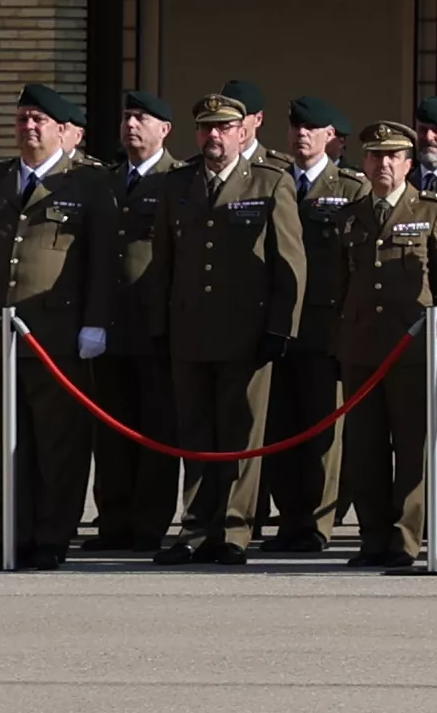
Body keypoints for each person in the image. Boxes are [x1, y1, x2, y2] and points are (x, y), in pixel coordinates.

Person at [148, 91, 307, 567]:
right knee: (194, 433)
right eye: (205, 128)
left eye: (223, 128)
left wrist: (281, 327)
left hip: (246, 332)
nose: (213, 136)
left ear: (243, 132)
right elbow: (163, 261)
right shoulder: (178, 184)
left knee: (241, 435)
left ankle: (235, 529)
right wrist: (160, 323)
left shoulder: (270, 181)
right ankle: (196, 528)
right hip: (189, 328)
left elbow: (289, 263)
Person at [0, 86, 114, 568]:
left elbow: (102, 261)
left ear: (62, 130)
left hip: (56, 336)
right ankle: (13, 535)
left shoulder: (87, 182)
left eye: (39, 120)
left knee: (58, 443)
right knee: (7, 444)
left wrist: (95, 323)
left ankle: (52, 536)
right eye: (23, 118)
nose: (28, 127)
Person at [332, 122, 437, 571]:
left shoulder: (432, 210)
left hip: (413, 350)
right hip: (362, 348)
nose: (383, 164)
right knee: (364, 448)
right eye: (375, 155)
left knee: (412, 449)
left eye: (392, 156)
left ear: (408, 164)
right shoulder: (351, 216)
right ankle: (372, 536)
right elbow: (341, 286)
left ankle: (406, 539)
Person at [264, 96, 365, 556]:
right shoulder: (273, 181)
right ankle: (289, 519)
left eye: (312, 128)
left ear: (331, 137)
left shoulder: (350, 188)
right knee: (280, 430)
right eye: (296, 127)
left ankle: (318, 523)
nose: (302, 135)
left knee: (324, 432)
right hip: (278, 328)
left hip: (326, 329)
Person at [86, 93, 183, 554]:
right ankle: (113, 520)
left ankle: (148, 524)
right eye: (127, 117)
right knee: (110, 430)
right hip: (108, 324)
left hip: (155, 325)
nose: (131, 125)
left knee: (156, 429)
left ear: (165, 129)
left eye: (142, 118)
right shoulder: (105, 180)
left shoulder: (178, 180)